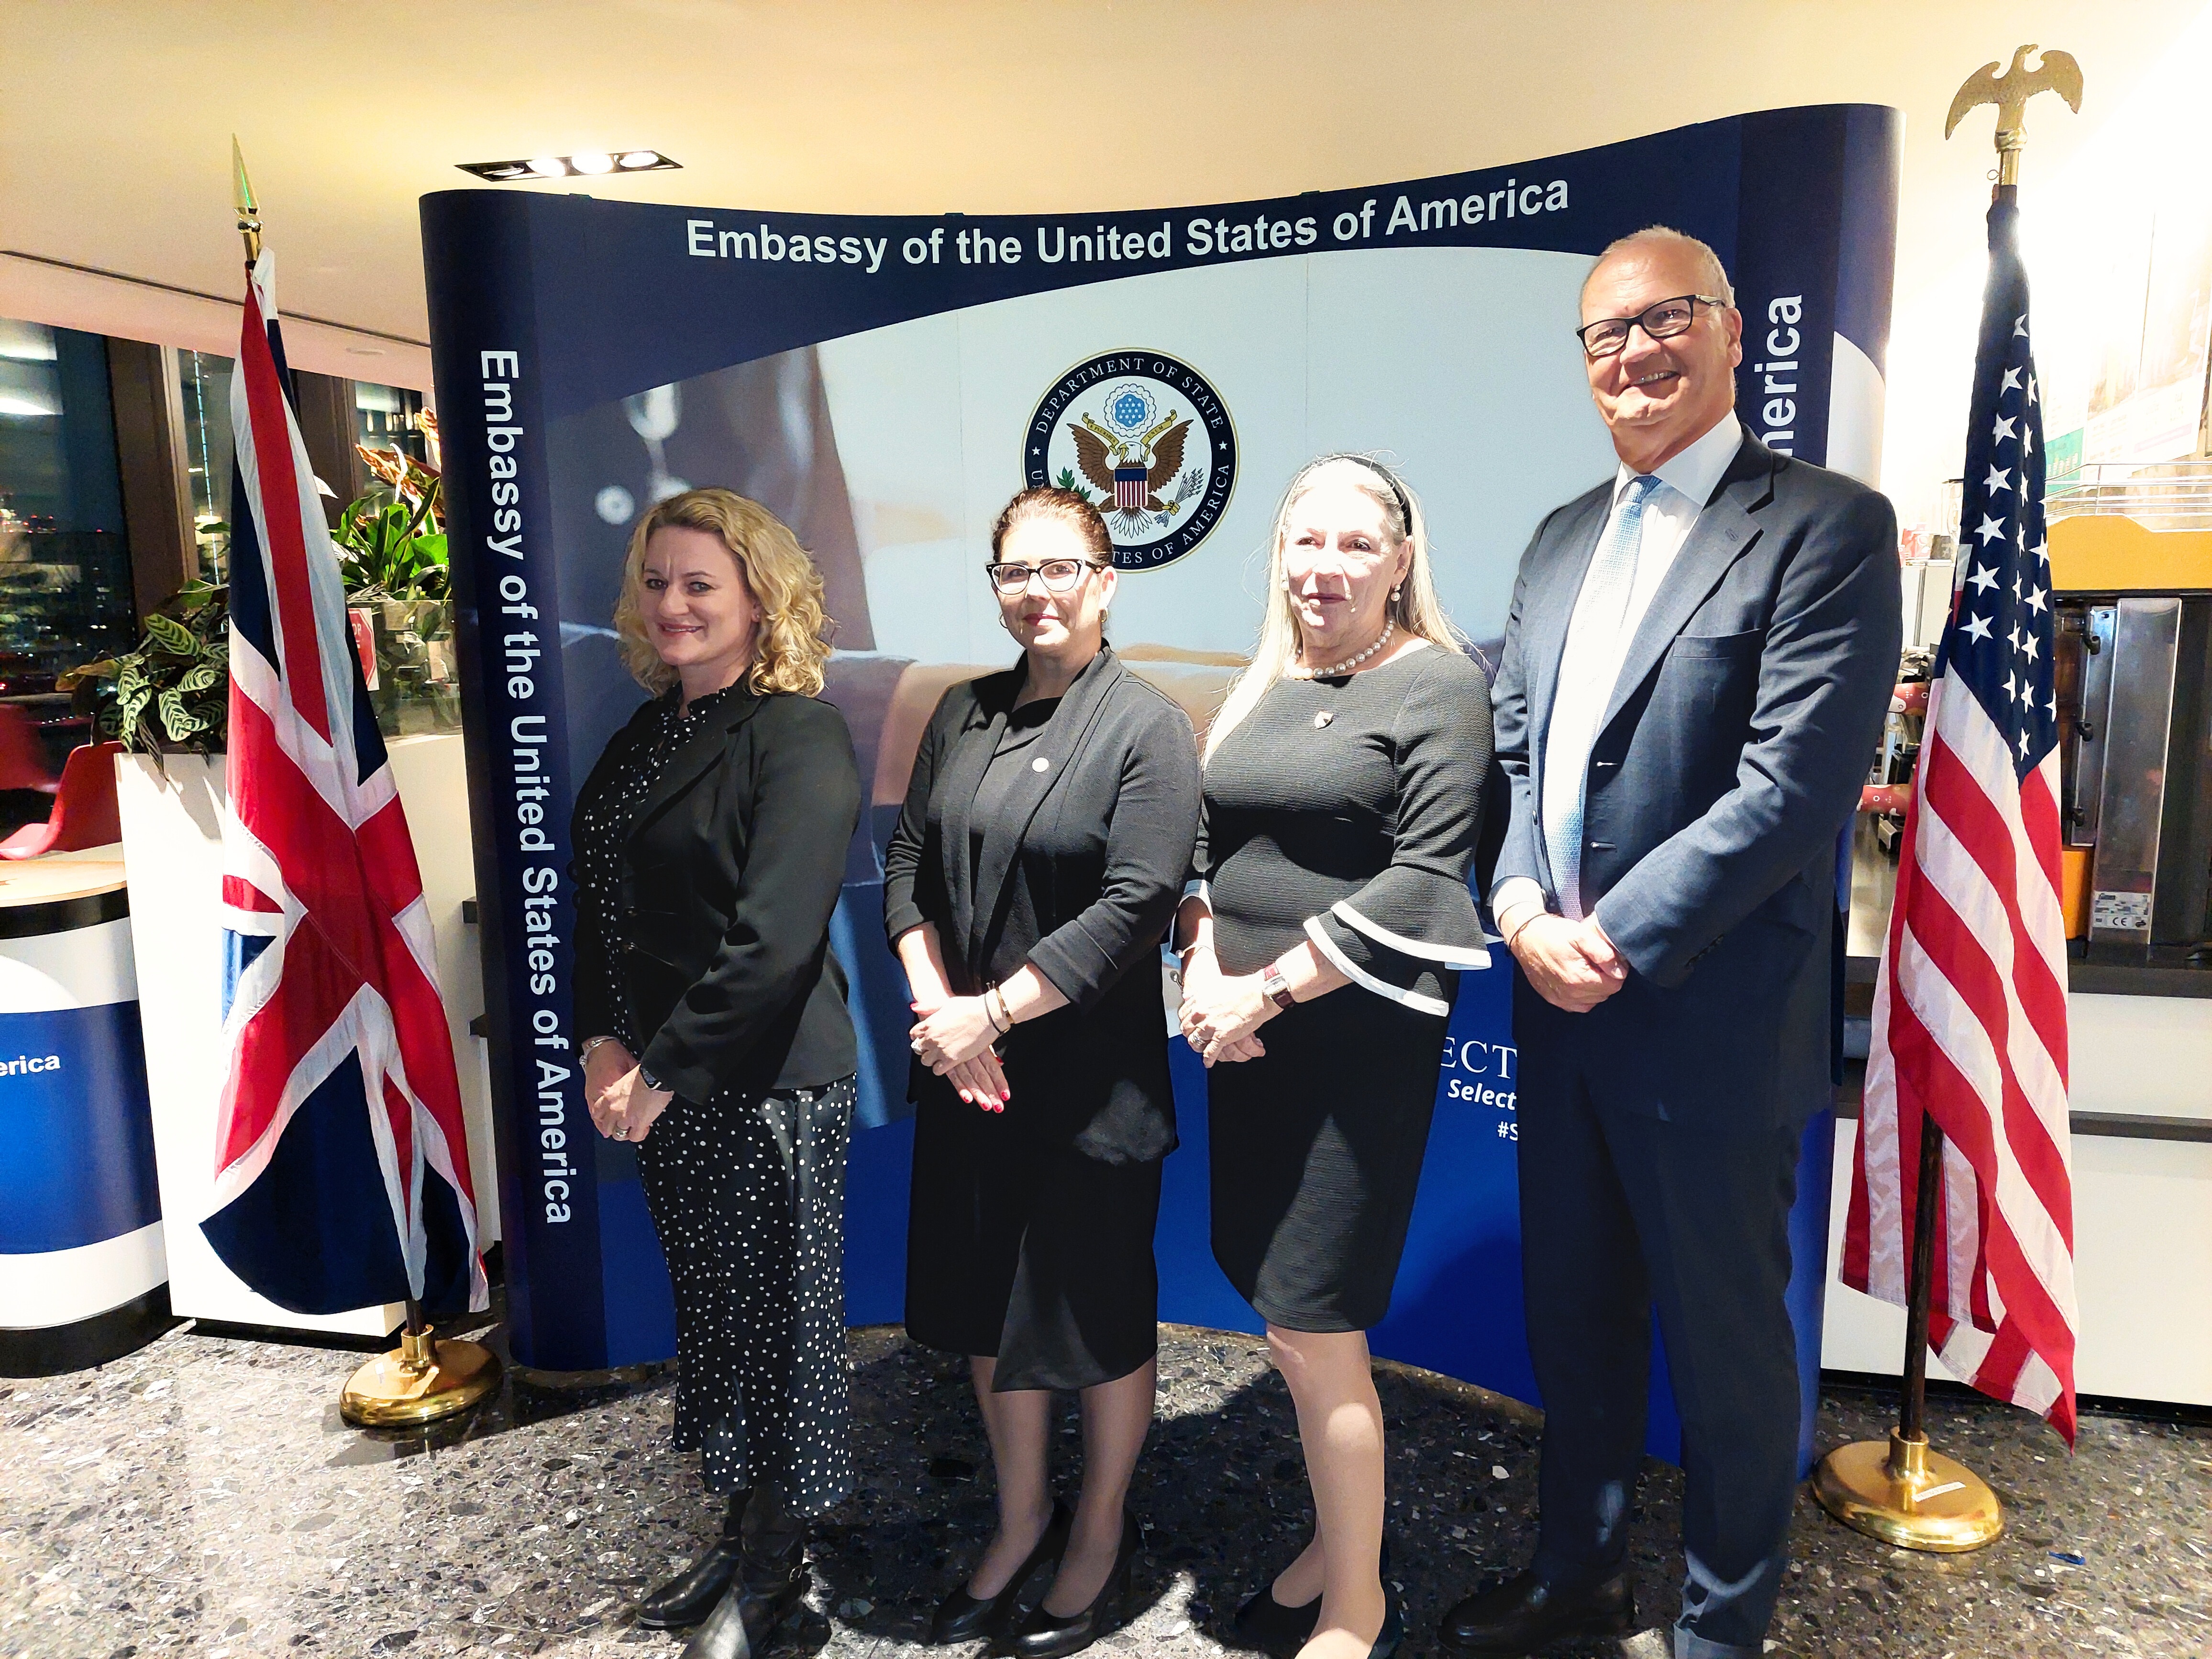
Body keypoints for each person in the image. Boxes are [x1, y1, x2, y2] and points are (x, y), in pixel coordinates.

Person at [1440, 228, 1901, 1659]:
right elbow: (1516, 755)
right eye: (1605, 333)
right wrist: (1521, 908)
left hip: (1710, 1021)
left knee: (1725, 1354)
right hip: (1557, 1010)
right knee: (1574, 1321)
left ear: (1730, 332)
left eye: (1665, 319)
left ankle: (1720, 1627)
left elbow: (1792, 789)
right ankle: (1577, 1582)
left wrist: (1613, 937)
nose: (1633, 353)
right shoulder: (1558, 537)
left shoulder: (1826, 526)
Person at [1176, 455, 1492, 1659]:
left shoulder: (1438, 684)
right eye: (1305, 542)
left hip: (1350, 1051)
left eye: (1356, 545)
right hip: (1244, 1040)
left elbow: (1425, 879)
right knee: (1285, 1325)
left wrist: (1262, 989)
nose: (1325, 567)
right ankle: (1332, 1543)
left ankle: (1356, 1604)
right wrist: (1200, 965)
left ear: (1400, 561)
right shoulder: (1268, 681)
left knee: (1316, 1326)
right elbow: (1204, 849)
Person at [883, 486, 1201, 1659]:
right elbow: (907, 865)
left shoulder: (1147, 725)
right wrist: (940, 1010)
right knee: (987, 1310)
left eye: (1060, 568)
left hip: (1086, 1091)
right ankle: (1020, 1520)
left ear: (1104, 581)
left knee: (1097, 1320)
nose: (1037, 592)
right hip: (964, 1074)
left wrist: (990, 1016)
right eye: (1015, 572)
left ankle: (1099, 1531)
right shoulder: (961, 712)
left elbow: (1135, 903)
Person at [571, 487, 863, 1659]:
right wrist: (601, 1042)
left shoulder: (797, 734)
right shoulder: (645, 734)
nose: (673, 604)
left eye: (700, 583)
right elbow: (600, 914)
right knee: (718, 1322)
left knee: (780, 1331)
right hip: (666, 1084)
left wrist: (657, 1074)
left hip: (768, 1087)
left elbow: (774, 942)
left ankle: (774, 1583)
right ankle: (742, 1534)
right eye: (657, 583)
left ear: (758, 597)